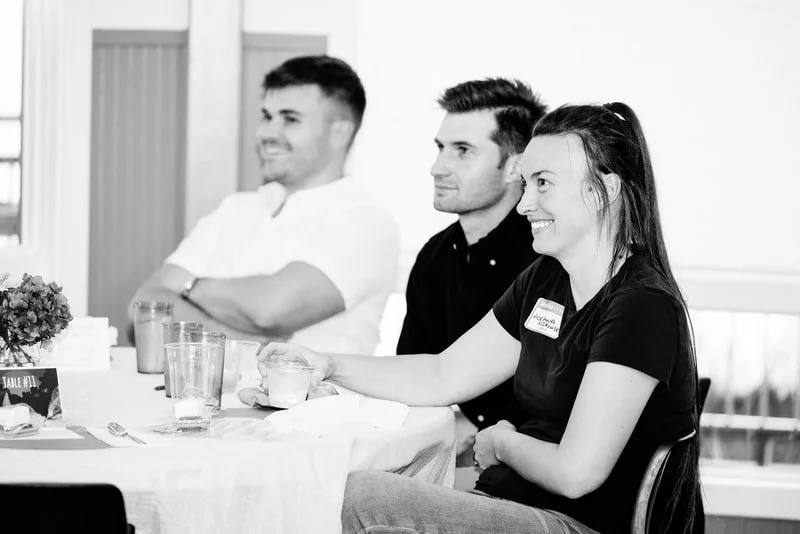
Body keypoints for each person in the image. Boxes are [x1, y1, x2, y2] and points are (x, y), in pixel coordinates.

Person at [260, 102, 703, 533]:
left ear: (605, 191)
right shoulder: (546, 279)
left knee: (359, 499)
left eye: (543, 184)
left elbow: (576, 473)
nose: (525, 203)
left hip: (576, 522)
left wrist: (501, 441)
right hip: (511, 501)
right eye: (526, 183)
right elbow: (443, 373)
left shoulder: (641, 306)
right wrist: (328, 364)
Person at [130, 56, 399, 354]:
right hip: (207, 399)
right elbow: (144, 308)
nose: (267, 133)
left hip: (314, 401)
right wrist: (248, 344)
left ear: (340, 132)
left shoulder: (364, 221)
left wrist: (188, 288)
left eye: (290, 119)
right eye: (267, 116)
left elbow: (270, 311)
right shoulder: (237, 208)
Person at [397, 78, 546, 434]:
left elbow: (556, 404)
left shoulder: (549, 259)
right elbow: (411, 375)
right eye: (440, 148)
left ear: (515, 167)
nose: (437, 168)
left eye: (462, 150)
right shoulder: (434, 256)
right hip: (444, 446)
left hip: (521, 465)